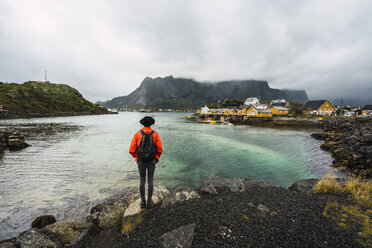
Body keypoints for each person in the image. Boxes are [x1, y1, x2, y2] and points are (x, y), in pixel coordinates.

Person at [129, 116, 163, 209]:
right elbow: (160, 149)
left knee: (142, 181)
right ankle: (149, 202)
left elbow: (131, 150)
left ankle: (142, 202)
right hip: (152, 161)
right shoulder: (155, 134)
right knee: (150, 181)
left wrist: (137, 157)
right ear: (151, 124)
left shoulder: (137, 134)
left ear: (142, 123)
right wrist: (156, 158)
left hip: (141, 161)